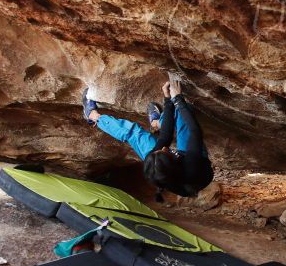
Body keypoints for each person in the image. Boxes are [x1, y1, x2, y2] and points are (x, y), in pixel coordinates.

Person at [82, 79, 214, 199]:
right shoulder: (192, 163)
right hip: (197, 172)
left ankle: (94, 116)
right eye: (165, 151)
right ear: (175, 159)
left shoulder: (155, 167)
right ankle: (158, 121)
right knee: (184, 111)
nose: (164, 147)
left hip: (173, 170)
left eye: (159, 150)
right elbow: (194, 131)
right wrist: (178, 99)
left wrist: (168, 100)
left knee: (134, 134)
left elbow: (165, 137)